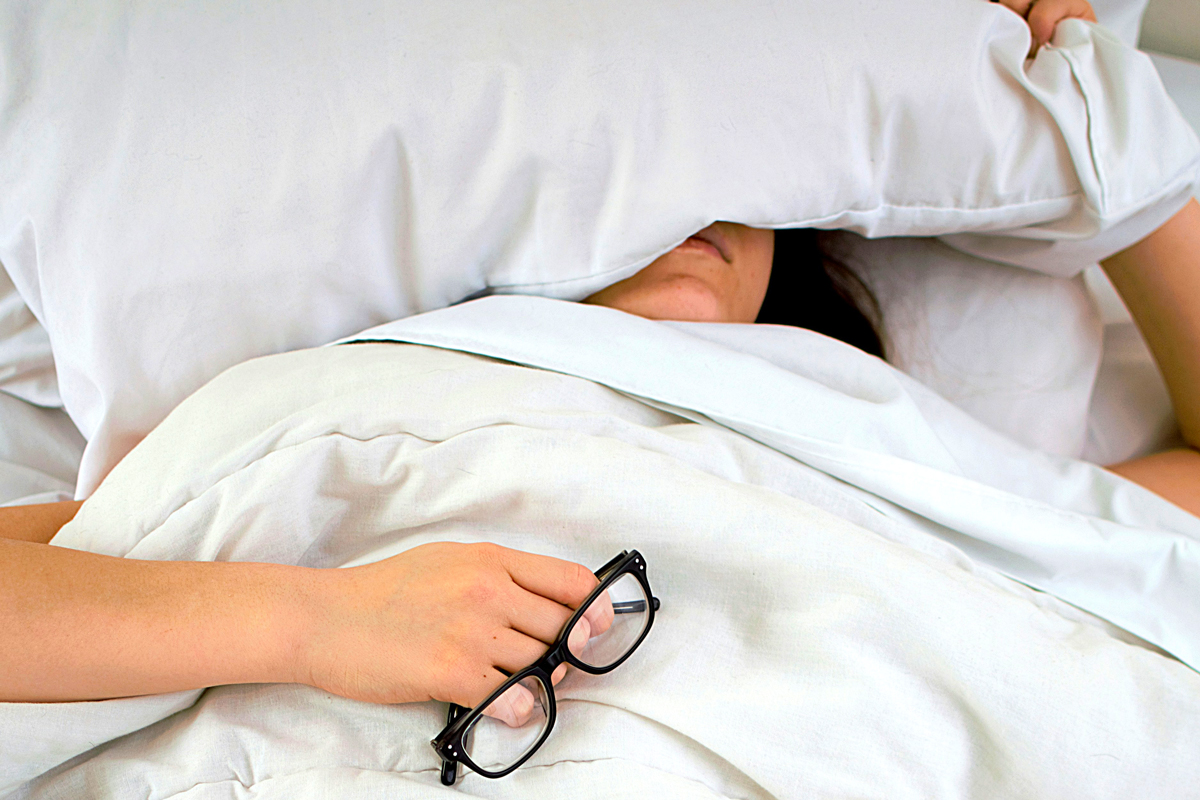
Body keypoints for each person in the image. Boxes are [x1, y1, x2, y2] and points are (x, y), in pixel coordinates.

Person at [1, 0, 1194, 719]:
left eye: (734, 181)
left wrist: (1093, 114)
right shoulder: (372, 399)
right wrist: (315, 620)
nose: (692, 206)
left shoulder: (870, 435)